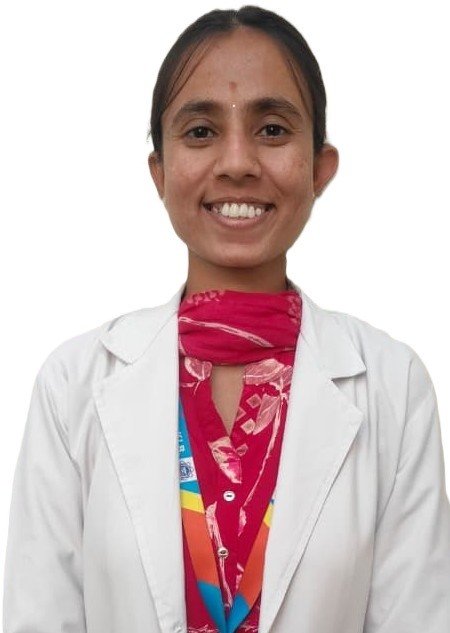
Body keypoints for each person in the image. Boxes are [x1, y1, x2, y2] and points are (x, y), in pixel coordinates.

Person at [3, 5, 450, 633]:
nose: (237, 161)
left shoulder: (393, 387)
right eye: (200, 132)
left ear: (320, 168)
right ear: (159, 173)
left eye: (272, 129)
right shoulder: (72, 385)